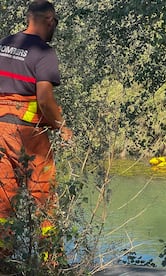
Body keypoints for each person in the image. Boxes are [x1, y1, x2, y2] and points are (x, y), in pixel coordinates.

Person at [0, 0, 72, 261]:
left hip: (0, 132)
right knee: (45, 200)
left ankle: (3, 260)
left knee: (3, 199)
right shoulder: (43, 52)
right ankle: (50, 261)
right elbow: (44, 99)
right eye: (56, 23)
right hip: (28, 133)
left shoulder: (5, 43)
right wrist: (63, 128)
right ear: (49, 19)